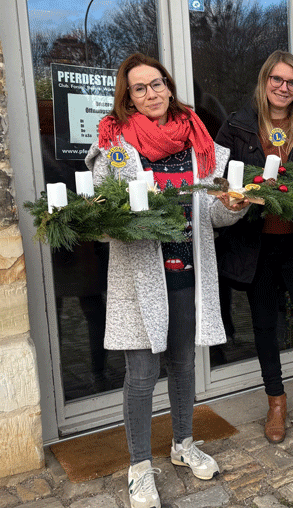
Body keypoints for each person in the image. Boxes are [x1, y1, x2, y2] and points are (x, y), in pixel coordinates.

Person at [85, 53, 249, 508]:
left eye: (156, 84)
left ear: (169, 86)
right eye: (140, 88)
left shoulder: (197, 138)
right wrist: (120, 219)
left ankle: (182, 444)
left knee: (182, 366)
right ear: (128, 97)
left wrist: (232, 208)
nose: (151, 93)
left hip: (188, 275)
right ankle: (139, 466)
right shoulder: (114, 144)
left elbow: (211, 212)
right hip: (139, 280)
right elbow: (98, 218)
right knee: (141, 375)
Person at [214, 50, 293, 448]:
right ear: (265, 80)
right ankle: (276, 403)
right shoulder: (237, 125)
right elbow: (218, 178)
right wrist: (228, 197)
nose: (284, 88)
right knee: (265, 327)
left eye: (291, 82)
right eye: (277, 80)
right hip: (257, 244)